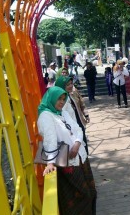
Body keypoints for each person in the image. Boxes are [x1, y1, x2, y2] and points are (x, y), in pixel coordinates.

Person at [37, 86, 97, 214]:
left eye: (64, 99)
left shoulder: (62, 112)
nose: (61, 102)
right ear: (51, 98)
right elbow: (50, 140)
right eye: (59, 99)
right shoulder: (46, 116)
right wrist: (50, 163)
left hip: (80, 157)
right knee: (79, 198)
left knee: (91, 193)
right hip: (68, 163)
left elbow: (78, 129)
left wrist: (76, 144)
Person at [55, 76, 90, 155]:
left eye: (71, 83)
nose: (71, 86)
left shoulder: (72, 94)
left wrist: (86, 115)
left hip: (79, 123)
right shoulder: (61, 101)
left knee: (83, 144)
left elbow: (81, 104)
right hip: (71, 130)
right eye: (68, 85)